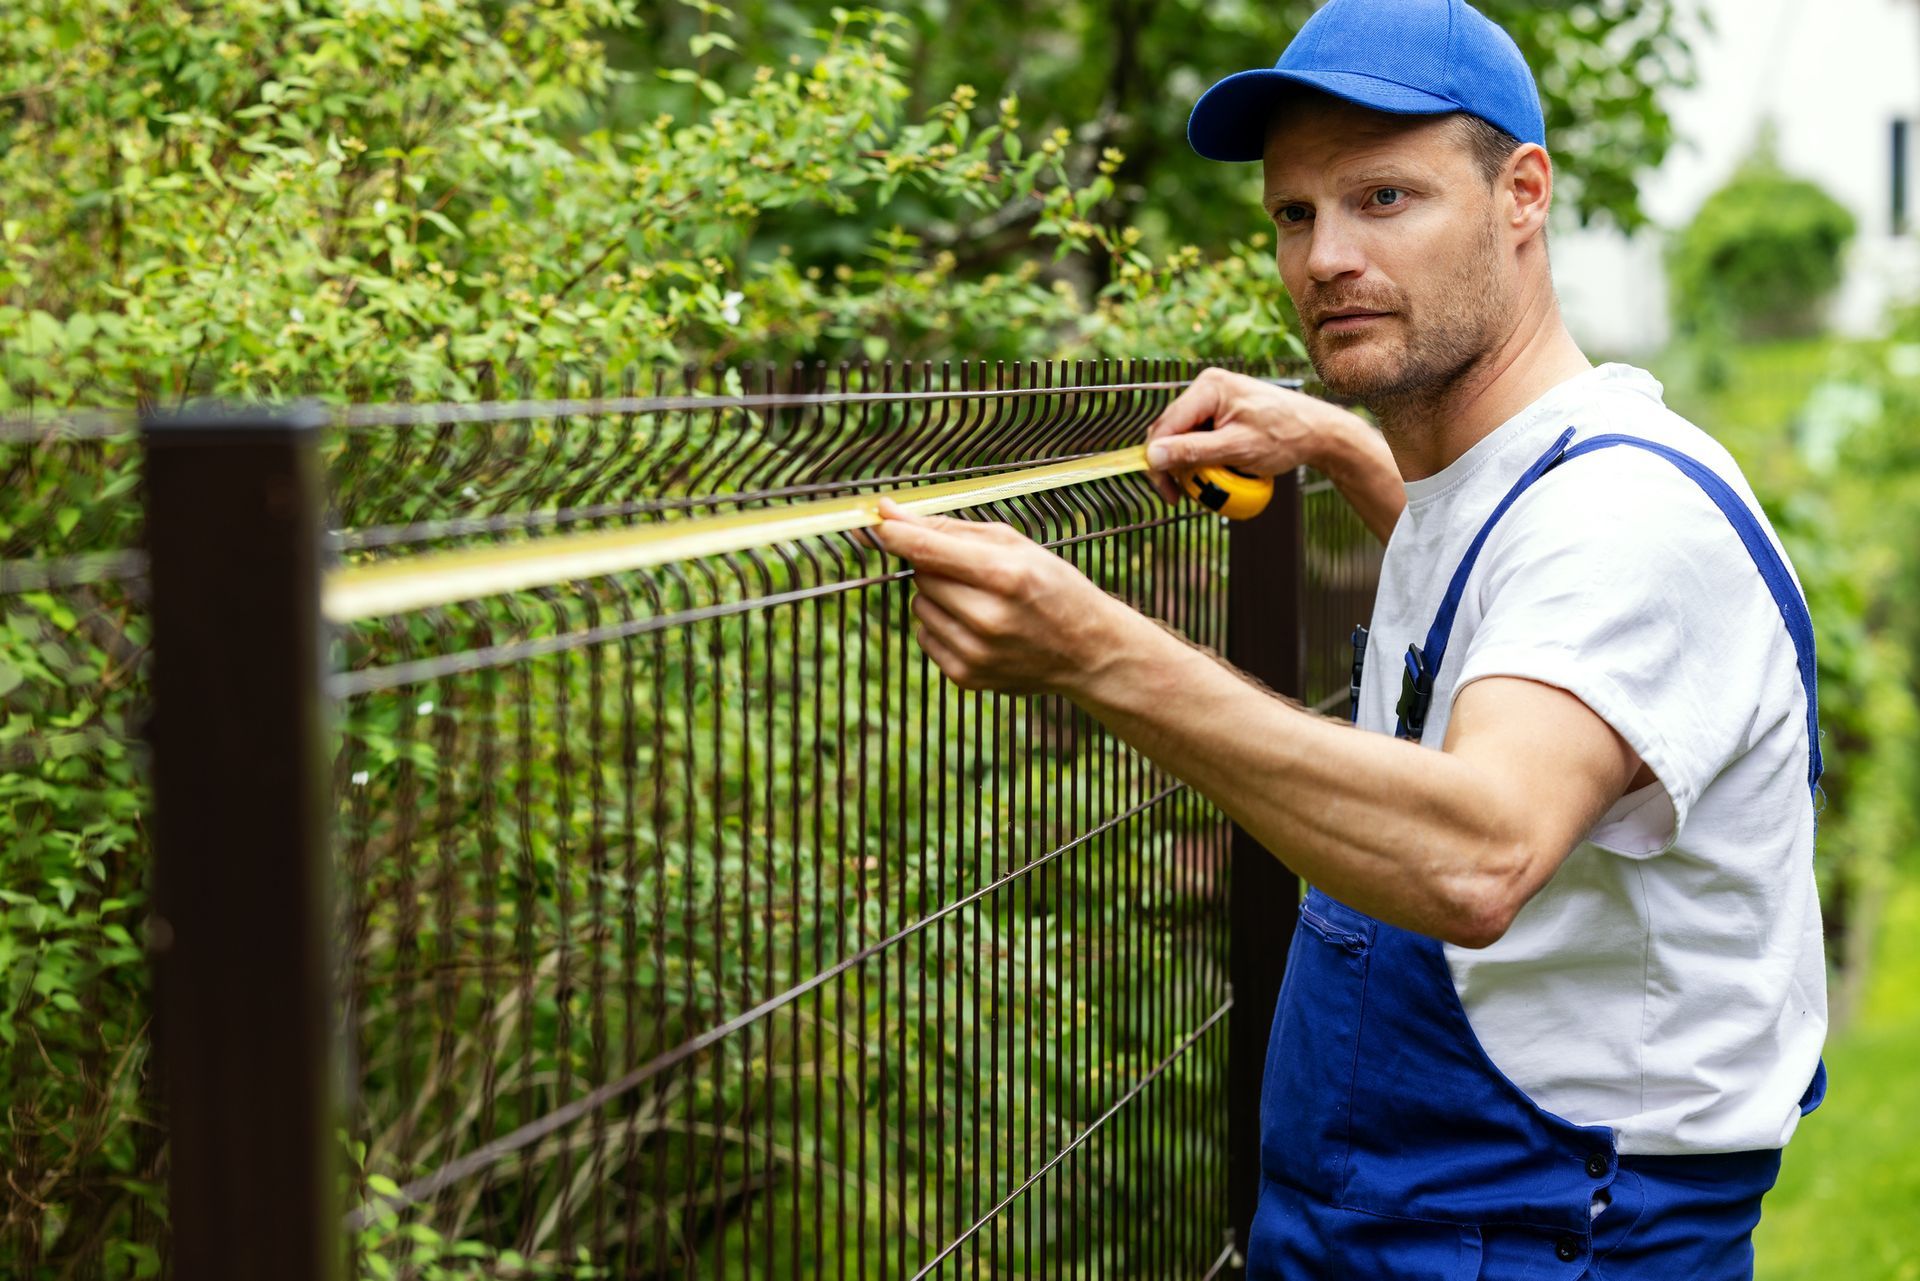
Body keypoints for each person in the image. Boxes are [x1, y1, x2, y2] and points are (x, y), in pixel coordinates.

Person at [869, 0, 1827, 1275]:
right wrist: (1337, 445)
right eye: (1294, 213)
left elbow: (1479, 857)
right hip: (1407, 1215)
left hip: (1551, 1235)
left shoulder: (1626, 518)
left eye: (1385, 198)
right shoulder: (1501, 479)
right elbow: (1482, 583)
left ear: (1522, 196)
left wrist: (1096, 650)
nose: (1324, 257)